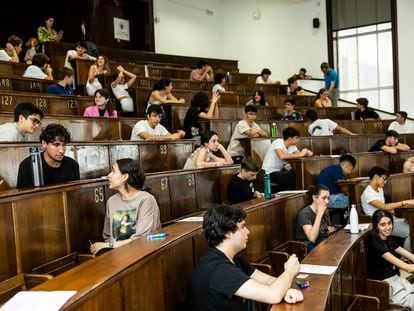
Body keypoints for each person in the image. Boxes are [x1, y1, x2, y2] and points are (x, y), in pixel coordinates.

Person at [185, 205, 303, 309]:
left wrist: (286, 290)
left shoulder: (233, 258)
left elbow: (267, 280)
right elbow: (273, 295)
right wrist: (289, 272)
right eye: (242, 227)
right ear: (227, 233)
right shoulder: (218, 269)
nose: (248, 232)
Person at [90, 158, 161, 256]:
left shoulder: (146, 200)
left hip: (141, 254)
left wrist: (108, 245)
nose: (109, 175)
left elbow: (142, 239)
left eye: (113, 171)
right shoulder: (111, 201)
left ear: (125, 177)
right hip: (116, 255)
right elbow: (107, 235)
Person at [367, 209, 414, 309]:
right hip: (386, 286)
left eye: (389, 223)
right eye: (383, 224)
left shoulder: (387, 238)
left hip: (396, 279)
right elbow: (407, 268)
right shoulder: (375, 243)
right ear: (376, 226)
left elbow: (410, 256)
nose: (388, 227)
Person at [361, 166, 414, 251]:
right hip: (378, 223)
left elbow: (384, 208)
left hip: (388, 218)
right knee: (411, 231)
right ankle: (406, 259)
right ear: (376, 176)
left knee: (411, 223)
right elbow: (384, 206)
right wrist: (405, 202)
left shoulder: (379, 189)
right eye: (384, 178)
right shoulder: (367, 193)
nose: (385, 182)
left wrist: (390, 211)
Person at [16, 124, 80, 188]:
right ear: (44, 143)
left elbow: (76, 193)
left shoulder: (73, 165)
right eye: (56, 145)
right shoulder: (28, 166)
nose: (61, 150)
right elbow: (23, 196)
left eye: (64, 145)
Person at [262, 127, 313, 191]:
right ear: (289, 139)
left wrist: (307, 152)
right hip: (269, 173)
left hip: (279, 171)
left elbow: (301, 156)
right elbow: (282, 156)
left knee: (298, 176)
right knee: (294, 179)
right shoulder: (278, 142)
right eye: (296, 138)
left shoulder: (292, 146)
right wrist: (302, 153)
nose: (298, 140)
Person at [295, 184, 335, 252]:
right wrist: (319, 214)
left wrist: (329, 230)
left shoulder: (325, 211)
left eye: (328, 198)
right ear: (314, 198)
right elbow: (312, 239)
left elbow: (327, 229)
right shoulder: (304, 213)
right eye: (324, 198)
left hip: (323, 243)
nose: (327, 201)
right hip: (309, 248)